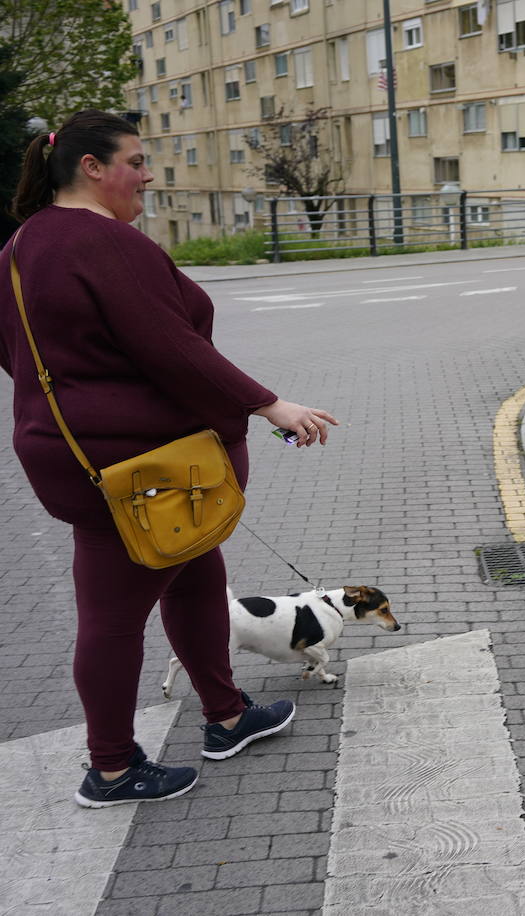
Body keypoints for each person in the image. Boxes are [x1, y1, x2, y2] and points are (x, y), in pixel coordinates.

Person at [1, 110, 340, 808]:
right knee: (114, 618)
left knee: (193, 573)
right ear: (91, 168)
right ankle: (113, 768)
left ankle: (225, 714)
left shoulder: (20, 245)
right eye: (135, 161)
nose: (147, 175)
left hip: (86, 455)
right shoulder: (102, 242)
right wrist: (269, 405)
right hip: (135, 468)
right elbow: (172, 347)